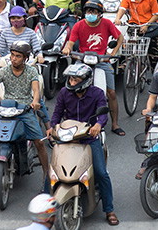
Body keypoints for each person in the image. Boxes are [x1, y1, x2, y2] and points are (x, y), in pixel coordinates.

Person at [49, 63, 117, 225]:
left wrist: (98, 125)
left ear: (86, 81)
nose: (72, 82)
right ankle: (47, 206)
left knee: (101, 173)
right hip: (68, 137)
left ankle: (109, 209)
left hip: (89, 138)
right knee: (52, 173)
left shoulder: (97, 93)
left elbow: (103, 113)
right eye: (71, 79)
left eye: (75, 79)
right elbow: (57, 113)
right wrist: (52, 128)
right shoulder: (64, 93)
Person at [0, 40, 49, 188]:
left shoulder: (31, 71)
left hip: (25, 110)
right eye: (12, 55)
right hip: (5, 109)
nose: (14, 59)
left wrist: (35, 102)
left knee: (39, 142)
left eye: (18, 56)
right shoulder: (4, 71)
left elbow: (36, 91)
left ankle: (47, 177)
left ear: (25, 58)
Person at [62, 0, 124, 136]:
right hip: (83, 60)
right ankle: (67, 121)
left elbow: (120, 38)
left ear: (100, 14)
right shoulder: (78, 25)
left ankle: (115, 123)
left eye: (94, 12)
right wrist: (67, 49)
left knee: (112, 93)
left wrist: (112, 54)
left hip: (102, 60)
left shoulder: (107, 24)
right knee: (71, 88)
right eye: (89, 11)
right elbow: (71, 43)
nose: (91, 14)